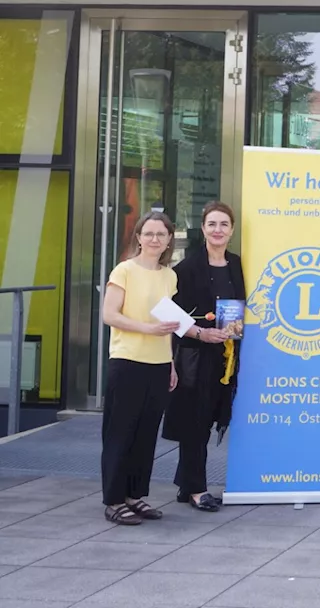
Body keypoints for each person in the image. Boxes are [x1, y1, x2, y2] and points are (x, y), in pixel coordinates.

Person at [99, 211, 179, 525]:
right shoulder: (124, 270)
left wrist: (171, 364)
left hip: (159, 365)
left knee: (146, 435)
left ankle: (135, 496)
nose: (155, 239)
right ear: (138, 236)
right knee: (121, 432)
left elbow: (168, 324)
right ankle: (114, 500)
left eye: (161, 234)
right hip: (128, 361)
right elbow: (109, 314)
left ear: (169, 239)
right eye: (149, 233)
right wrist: (146, 330)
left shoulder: (169, 276)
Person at [164, 201, 245, 512]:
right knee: (194, 423)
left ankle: (186, 485)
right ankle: (197, 488)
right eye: (212, 224)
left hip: (226, 357)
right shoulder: (185, 269)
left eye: (224, 224)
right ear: (203, 229)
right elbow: (172, 315)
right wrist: (201, 332)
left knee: (210, 419)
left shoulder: (237, 264)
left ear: (232, 230)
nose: (218, 230)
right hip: (195, 357)